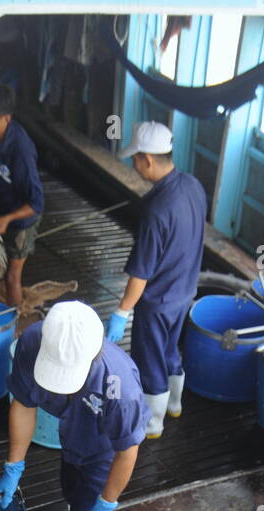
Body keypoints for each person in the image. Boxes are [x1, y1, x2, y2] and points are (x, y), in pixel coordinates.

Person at [0, 301, 149, 511]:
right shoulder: (32, 341)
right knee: (71, 490)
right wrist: (13, 466)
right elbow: (23, 404)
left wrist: (107, 505)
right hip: (71, 434)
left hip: (105, 449)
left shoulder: (120, 387)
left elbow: (127, 451)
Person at [106, 121, 206, 439]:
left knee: (150, 361)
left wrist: (121, 312)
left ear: (148, 159)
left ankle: (152, 424)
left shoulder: (156, 210)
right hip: (186, 291)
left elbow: (141, 273)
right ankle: (175, 405)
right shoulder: (193, 185)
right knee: (169, 352)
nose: (134, 166)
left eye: (135, 160)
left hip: (158, 301)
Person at [0, 81, 44, 307]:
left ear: (6, 118)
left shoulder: (21, 150)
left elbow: (36, 202)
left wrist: (8, 219)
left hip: (22, 218)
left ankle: (12, 331)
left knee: (12, 277)